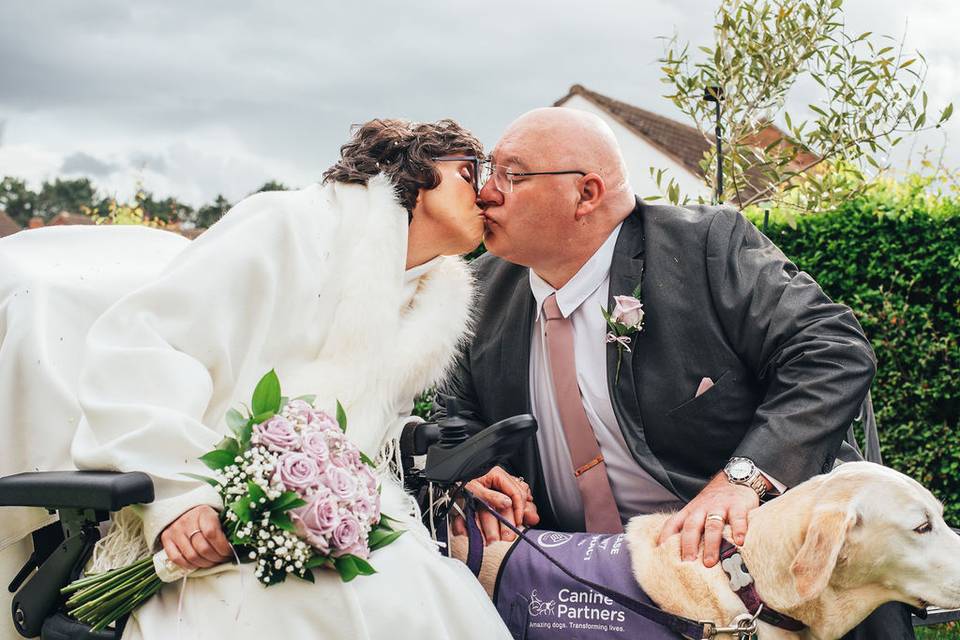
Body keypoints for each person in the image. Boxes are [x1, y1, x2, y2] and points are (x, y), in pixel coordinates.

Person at [0, 119, 512, 639]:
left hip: (317, 529)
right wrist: (183, 496)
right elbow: (141, 348)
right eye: (470, 172)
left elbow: (374, 439)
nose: (489, 192)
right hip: (201, 523)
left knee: (425, 593)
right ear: (415, 174)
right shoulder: (287, 227)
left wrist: (450, 483)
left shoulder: (428, 303)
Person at [440, 107, 915, 639]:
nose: (487, 193)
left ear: (587, 193)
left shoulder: (706, 245)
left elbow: (831, 349)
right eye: (488, 172)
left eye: (513, 175)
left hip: (754, 581)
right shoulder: (474, 291)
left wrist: (743, 480)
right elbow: (454, 417)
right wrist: (471, 477)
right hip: (575, 594)